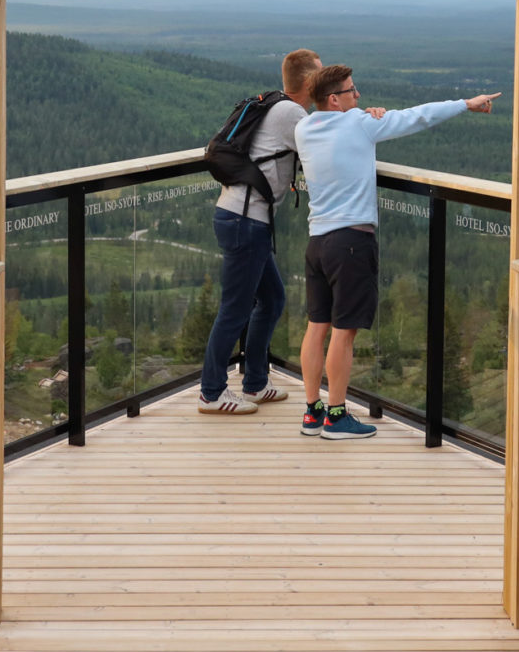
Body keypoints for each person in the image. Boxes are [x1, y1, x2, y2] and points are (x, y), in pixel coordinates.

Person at [294, 65, 499, 439]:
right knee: (344, 332)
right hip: (351, 243)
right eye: (352, 91)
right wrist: (466, 104)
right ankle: (336, 417)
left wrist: (362, 114)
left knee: (316, 327)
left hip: (317, 242)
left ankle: (312, 412)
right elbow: (417, 117)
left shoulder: (304, 128)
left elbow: (349, 119)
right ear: (335, 98)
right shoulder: (359, 124)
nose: (359, 96)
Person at [198, 48, 323, 413]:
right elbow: (323, 147)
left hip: (244, 218)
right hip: (246, 221)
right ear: (310, 81)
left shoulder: (278, 106)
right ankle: (211, 391)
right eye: (321, 74)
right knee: (235, 309)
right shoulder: (291, 113)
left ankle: (254, 382)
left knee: (271, 300)